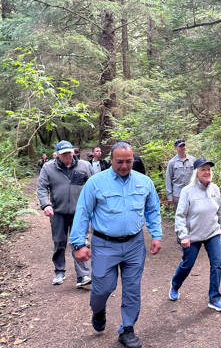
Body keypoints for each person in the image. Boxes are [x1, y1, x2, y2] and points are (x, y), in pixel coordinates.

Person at [70, 141, 162, 348]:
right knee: (102, 288)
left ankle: (127, 329)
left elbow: (152, 209)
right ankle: (98, 309)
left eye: (128, 161)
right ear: (110, 160)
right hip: (104, 245)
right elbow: (83, 212)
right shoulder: (96, 183)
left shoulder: (144, 182)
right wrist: (78, 244)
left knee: (132, 288)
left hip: (134, 244)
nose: (124, 165)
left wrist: (156, 235)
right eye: (119, 161)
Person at [168, 157, 221, 312]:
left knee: (217, 264)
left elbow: (219, 210)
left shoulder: (215, 188)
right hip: (192, 235)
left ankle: (214, 298)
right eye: (203, 169)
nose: (207, 172)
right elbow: (180, 215)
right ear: (196, 173)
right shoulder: (187, 191)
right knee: (187, 264)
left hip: (213, 232)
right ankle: (175, 285)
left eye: (208, 169)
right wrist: (183, 235)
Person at [36, 140, 92, 287]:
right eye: (63, 154)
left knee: (79, 242)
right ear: (58, 155)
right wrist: (46, 205)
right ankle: (59, 271)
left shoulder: (85, 166)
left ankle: (83, 275)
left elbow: (94, 186)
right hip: (58, 213)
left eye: (69, 152)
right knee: (59, 242)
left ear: (73, 152)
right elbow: (41, 188)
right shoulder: (48, 168)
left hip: (79, 213)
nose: (67, 156)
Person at [165, 138, 196, 209]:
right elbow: (168, 179)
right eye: (180, 146)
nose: (183, 148)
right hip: (178, 194)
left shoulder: (192, 160)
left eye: (183, 145)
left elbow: (197, 175)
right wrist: (169, 196)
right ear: (176, 148)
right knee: (179, 215)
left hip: (191, 192)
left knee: (192, 214)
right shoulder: (172, 162)